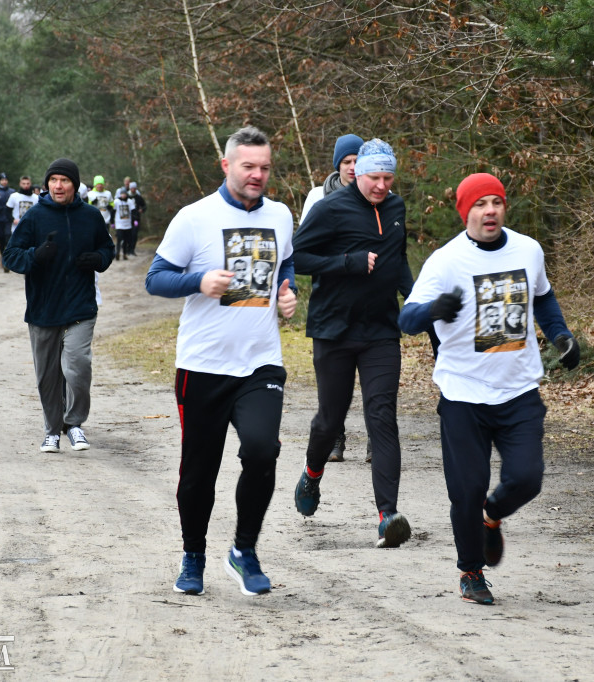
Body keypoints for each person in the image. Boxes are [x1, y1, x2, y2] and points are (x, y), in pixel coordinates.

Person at [398, 172, 580, 605]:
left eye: (496, 201)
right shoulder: (446, 261)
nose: (490, 210)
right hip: (463, 394)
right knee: (466, 489)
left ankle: (492, 517)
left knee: (527, 479)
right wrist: (434, 310)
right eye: (480, 204)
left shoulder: (528, 250)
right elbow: (406, 321)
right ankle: (471, 571)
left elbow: (543, 298)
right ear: (466, 212)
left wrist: (561, 336)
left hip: (518, 389)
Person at [145, 125, 297, 597]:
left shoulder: (281, 215)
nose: (257, 175)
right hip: (203, 366)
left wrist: (288, 291)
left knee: (262, 450)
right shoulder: (194, 218)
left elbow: (285, 263)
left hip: (260, 363)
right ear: (227, 165)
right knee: (198, 472)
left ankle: (243, 550)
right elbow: (156, 278)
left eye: (265, 167)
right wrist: (198, 282)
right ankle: (193, 556)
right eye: (248, 166)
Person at [291, 138, 414, 549]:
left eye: (387, 177)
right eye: (374, 177)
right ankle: (312, 474)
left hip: (381, 330)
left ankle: (388, 515)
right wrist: (347, 262)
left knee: (382, 416)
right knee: (331, 418)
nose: (381, 185)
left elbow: (399, 265)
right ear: (357, 173)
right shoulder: (330, 209)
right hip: (334, 331)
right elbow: (300, 259)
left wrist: (417, 307)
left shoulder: (396, 209)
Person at [2, 158, 114, 454]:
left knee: (78, 368)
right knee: (48, 377)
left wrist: (99, 260)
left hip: (80, 308)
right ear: (47, 184)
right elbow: (10, 255)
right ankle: (52, 431)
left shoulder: (90, 216)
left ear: (75, 185)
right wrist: (35, 256)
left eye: (64, 180)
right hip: (43, 310)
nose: (58, 185)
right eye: (53, 180)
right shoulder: (35, 217)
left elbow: (107, 247)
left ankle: (74, 424)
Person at [299, 134, 366, 463]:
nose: (353, 167)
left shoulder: (380, 194)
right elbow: (304, 248)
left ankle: (375, 441)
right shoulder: (316, 197)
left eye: (358, 161)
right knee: (333, 382)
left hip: (369, 299)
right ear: (337, 165)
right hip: (329, 299)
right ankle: (336, 438)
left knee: (373, 379)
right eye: (347, 162)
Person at [112, 188, 134, 260]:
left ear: (126, 194)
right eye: (122, 194)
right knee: (119, 239)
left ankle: (124, 254)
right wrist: (112, 222)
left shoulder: (130, 201)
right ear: (120, 194)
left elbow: (133, 211)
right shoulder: (116, 201)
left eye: (124, 194)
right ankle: (117, 253)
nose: (123, 195)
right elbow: (113, 211)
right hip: (119, 224)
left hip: (128, 225)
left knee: (126, 240)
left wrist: (135, 220)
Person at [127, 181, 146, 256]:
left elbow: (144, 206)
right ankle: (127, 249)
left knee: (134, 234)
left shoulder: (139, 197)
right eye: (132, 188)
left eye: (134, 188)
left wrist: (142, 210)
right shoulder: (126, 196)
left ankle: (132, 250)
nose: (133, 189)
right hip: (127, 219)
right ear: (130, 188)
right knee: (128, 234)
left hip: (136, 218)